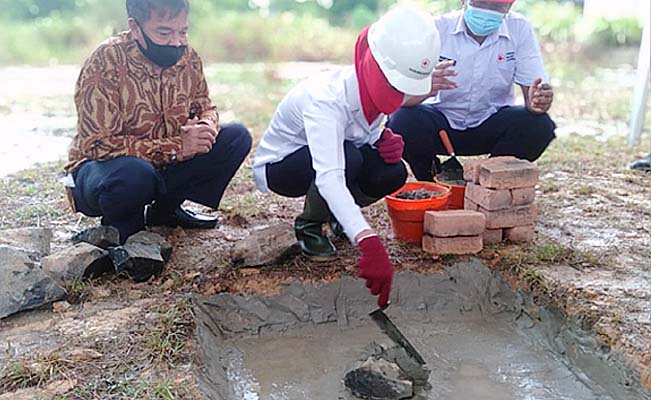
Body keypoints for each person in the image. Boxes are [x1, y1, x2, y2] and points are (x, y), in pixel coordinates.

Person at [253, 7, 441, 307]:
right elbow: (329, 175)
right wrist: (367, 240)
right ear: (372, 60)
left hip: (336, 153)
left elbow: (360, 133)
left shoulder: (373, 90)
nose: (398, 94)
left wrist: (380, 138)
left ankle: (339, 217)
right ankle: (310, 225)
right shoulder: (325, 100)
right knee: (348, 159)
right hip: (283, 167)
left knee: (392, 171)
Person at [64, 0, 252, 242]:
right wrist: (177, 147)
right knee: (134, 173)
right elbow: (98, 145)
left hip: (163, 165)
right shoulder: (105, 61)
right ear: (135, 27)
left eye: (183, 31)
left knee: (236, 137)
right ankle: (121, 229)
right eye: (164, 32)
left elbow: (206, 107)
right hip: (102, 173)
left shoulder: (189, 58)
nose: (176, 42)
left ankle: (164, 212)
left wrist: (206, 127)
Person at [386, 0, 556, 181]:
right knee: (402, 120)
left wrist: (538, 101)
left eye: (497, 7)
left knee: (539, 126)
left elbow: (534, 99)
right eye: (481, 3)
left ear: (510, 6)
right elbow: (398, 100)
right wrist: (425, 88)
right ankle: (431, 179)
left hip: (490, 123)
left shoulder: (519, 29)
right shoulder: (435, 29)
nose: (487, 12)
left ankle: (491, 180)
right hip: (440, 126)